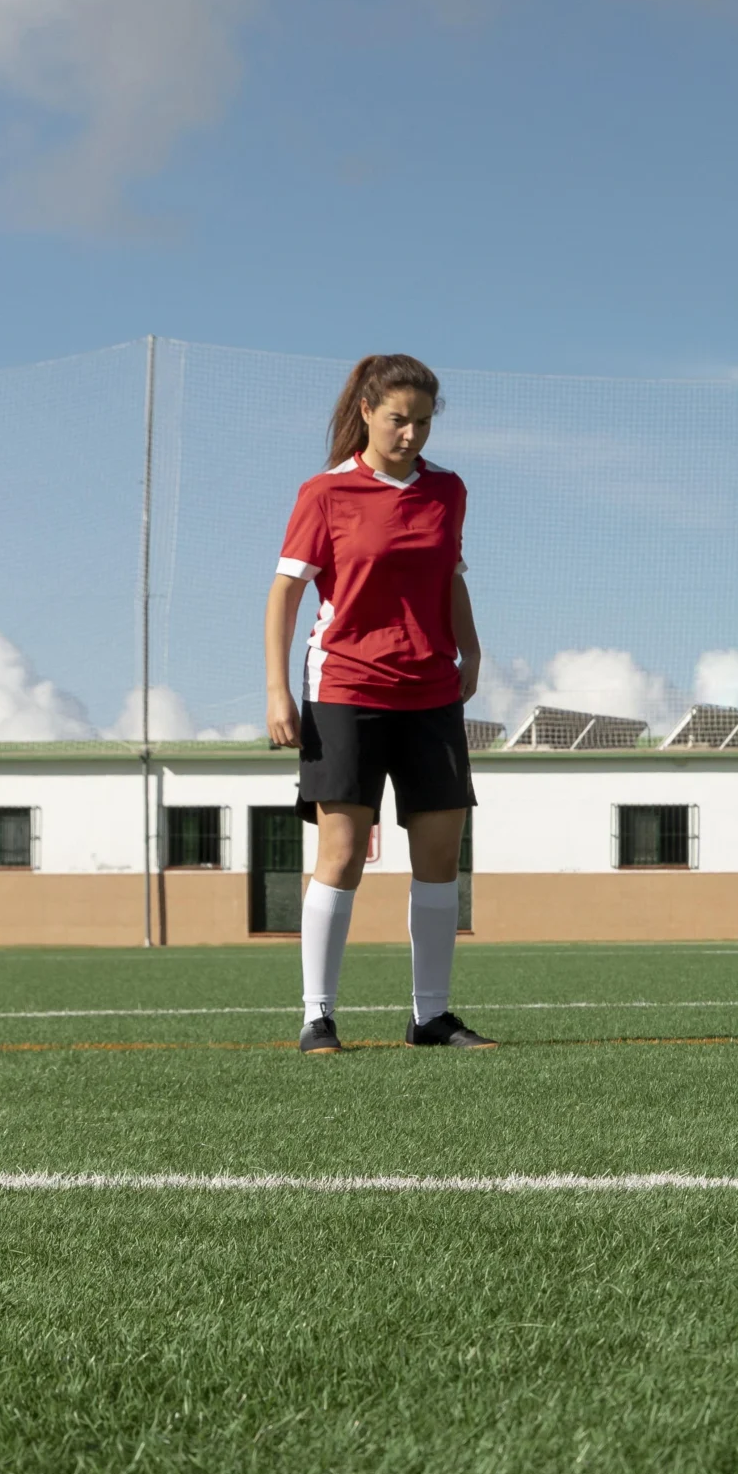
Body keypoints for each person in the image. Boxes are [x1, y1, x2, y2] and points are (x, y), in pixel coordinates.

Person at [265, 353, 497, 1055]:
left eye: (423, 422)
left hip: (430, 690)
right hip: (344, 688)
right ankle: (317, 1017)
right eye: (399, 420)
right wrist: (278, 689)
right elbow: (285, 592)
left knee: (439, 854)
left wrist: (473, 650)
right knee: (341, 854)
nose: (411, 434)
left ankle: (431, 1017)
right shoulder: (324, 494)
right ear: (367, 412)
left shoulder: (448, 491)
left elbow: (450, 576)